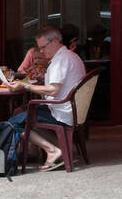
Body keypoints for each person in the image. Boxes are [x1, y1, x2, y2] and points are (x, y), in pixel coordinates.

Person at [6, 26, 87, 171]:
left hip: (61, 111)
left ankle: (52, 150)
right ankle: (59, 149)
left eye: (43, 47)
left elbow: (53, 90)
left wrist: (24, 86)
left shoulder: (60, 60)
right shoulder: (70, 56)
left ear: (55, 41)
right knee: (22, 113)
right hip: (71, 109)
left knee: (14, 122)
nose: (41, 51)